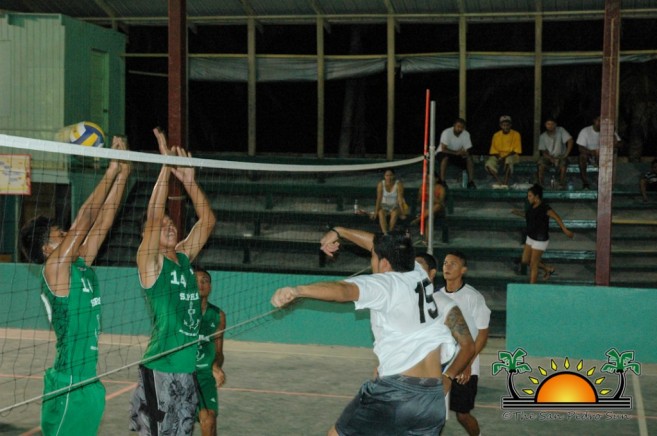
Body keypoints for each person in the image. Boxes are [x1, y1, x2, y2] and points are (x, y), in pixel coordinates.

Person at [271, 227, 474, 435]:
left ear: (384, 263)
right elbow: (377, 244)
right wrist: (339, 232)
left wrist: (298, 291)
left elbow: (343, 290)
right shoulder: (417, 271)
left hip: (397, 393)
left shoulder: (384, 285)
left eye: (373, 256)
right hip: (433, 397)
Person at [19, 137, 131, 435]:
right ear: (46, 248)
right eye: (60, 233)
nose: (67, 233)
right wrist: (109, 171)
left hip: (88, 381)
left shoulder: (79, 264)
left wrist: (124, 172)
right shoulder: (54, 269)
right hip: (68, 382)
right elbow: (85, 220)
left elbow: (104, 221)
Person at [130, 128, 217, 435]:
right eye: (162, 225)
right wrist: (166, 166)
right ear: (148, 236)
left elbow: (207, 222)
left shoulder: (182, 258)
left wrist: (191, 184)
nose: (168, 225)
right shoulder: (151, 262)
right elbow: (153, 218)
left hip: (186, 369)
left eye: (171, 222)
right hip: (160, 370)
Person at [438, 251, 491, 436]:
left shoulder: (473, 297)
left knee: (462, 414)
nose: (447, 267)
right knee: (434, 414)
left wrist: (467, 363)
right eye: (445, 263)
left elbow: (483, 334)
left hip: (466, 365)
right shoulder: (436, 296)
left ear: (463, 270)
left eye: (453, 264)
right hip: (442, 365)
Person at [415, 252, 475, 374]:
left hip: (432, 379)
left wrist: (448, 376)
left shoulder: (444, 303)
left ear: (431, 273)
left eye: (419, 267)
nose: (414, 272)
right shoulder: (404, 302)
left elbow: (468, 346)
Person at [511, 184, 574, 284]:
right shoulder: (531, 207)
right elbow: (527, 215)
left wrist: (565, 230)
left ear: (536, 197)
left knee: (533, 264)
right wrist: (516, 212)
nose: (528, 198)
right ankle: (548, 269)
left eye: (530, 196)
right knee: (525, 260)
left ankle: (532, 289)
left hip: (540, 239)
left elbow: (557, 217)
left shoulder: (545, 208)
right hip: (530, 237)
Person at [194, 267, 226, 436]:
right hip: (182, 374)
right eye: (196, 281)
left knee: (209, 421)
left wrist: (216, 365)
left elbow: (219, 352)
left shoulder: (218, 315)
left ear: (210, 287)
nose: (201, 284)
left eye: (205, 281)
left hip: (205, 376)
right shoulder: (179, 313)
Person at [576, 115, 622, 190]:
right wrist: (591, 152)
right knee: (582, 156)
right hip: (590, 155)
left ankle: (603, 182)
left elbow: (619, 144)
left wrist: (612, 134)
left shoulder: (608, 130)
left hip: (603, 156)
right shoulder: (585, 131)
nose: (601, 123)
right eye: (599, 120)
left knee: (603, 155)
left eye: (603, 121)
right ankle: (585, 182)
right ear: (594, 121)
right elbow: (580, 148)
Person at [437, 118, 477, 189]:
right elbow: (443, 149)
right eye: (458, 126)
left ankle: (471, 182)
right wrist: (456, 153)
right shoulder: (446, 132)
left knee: (469, 158)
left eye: (462, 127)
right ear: (454, 126)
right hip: (443, 152)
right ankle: (442, 181)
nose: (459, 129)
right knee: (445, 158)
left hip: (457, 154)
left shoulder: (466, 134)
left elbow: (468, 149)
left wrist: (465, 153)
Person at [485, 115, 522, 187]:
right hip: (499, 156)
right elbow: (493, 150)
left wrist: (504, 158)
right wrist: (499, 157)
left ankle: (505, 183)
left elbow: (516, 150)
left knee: (508, 159)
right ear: (500, 125)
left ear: (510, 125)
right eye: (503, 125)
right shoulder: (496, 135)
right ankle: (499, 182)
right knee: (488, 164)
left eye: (507, 125)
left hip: (512, 155)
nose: (505, 127)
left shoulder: (516, 134)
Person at [537, 118, 574, 188]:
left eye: (552, 124)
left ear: (555, 125)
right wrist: (551, 159)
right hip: (549, 156)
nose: (550, 126)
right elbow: (543, 151)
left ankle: (561, 183)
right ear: (545, 125)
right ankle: (540, 183)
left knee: (563, 163)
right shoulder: (542, 136)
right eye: (548, 124)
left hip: (561, 155)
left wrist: (566, 154)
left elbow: (570, 140)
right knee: (540, 163)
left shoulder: (561, 130)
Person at [372, 168, 408, 234]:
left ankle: (390, 232)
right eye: (387, 175)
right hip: (384, 205)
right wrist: (375, 212)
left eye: (390, 175)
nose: (388, 177)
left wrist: (402, 212)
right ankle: (385, 233)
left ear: (394, 176)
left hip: (394, 205)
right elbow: (379, 199)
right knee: (380, 212)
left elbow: (400, 199)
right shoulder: (381, 184)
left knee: (395, 213)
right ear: (384, 176)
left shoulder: (398, 184)